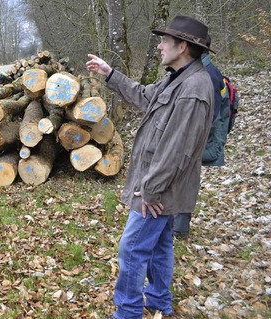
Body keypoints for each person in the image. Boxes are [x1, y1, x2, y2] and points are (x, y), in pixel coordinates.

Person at [86, 15, 214, 319]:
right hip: (160, 186)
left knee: (131, 249)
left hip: (159, 190)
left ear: (182, 46)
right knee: (159, 246)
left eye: (165, 41)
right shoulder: (177, 78)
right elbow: (144, 96)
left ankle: (127, 312)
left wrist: (152, 191)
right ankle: (158, 301)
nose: (159, 46)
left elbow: (177, 150)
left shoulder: (194, 88)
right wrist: (110, 74)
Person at [173, 36, 230, 239]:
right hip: (201, 137)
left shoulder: (207, 75)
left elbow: (209, 115)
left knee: (185, 175)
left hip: (203, 139)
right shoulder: (200, 70)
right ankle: (176, 224)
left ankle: (179, 227)